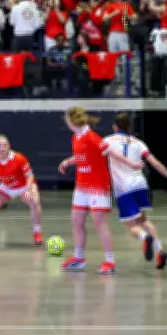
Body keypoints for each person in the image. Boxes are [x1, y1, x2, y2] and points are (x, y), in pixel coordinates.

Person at [58, 106, 143, 275]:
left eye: (67, 119)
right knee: (77, 221)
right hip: (81, 186)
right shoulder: (76, 137)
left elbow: (111, 152)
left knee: (99, 223)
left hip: (98, 186)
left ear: (71, 120)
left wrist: (131, 163)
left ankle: (110, 261)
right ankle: (79, 258)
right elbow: (82, 157)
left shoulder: (91, 137)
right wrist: (68, 161)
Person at [104, 113, 167, 269]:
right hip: (141, 184)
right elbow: (153, 162)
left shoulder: (107, 141)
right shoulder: (138, 142)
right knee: (143, 220)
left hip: (124, 188)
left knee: (131, 226)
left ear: (115, 127)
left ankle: (145, 238)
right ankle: (160, 251)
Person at [0, 135, 43, 247]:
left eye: (5, 145)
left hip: (24, 186)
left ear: (9, 146)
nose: (2, 148)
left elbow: (30, 175)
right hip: (7, 187)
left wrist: (27, 190)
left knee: (34, 202)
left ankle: (37, 232)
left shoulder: (19, 158)